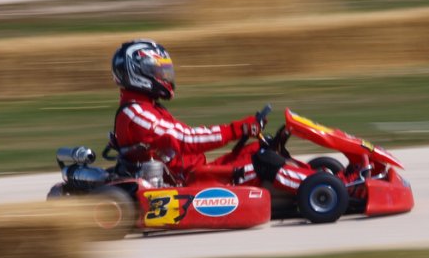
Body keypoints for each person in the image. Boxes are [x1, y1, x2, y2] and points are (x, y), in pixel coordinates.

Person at [109, 39, 313, 191]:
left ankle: (319, 177)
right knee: (265, 163)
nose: (163, 76)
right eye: (157, 70)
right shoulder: (136, 113)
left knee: (262, 149)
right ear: (135, 73)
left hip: (197, 171)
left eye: (164, 71)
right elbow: (187, 139)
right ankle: (316, 188)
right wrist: (237, 129)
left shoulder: (147, 108)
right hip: (189, 184)